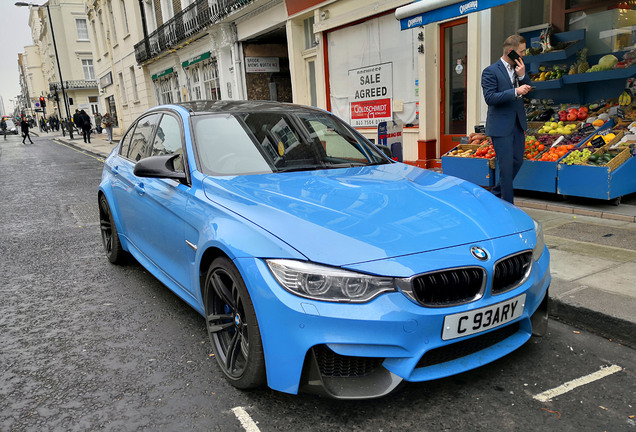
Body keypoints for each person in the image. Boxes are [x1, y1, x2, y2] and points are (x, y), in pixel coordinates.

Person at [481, 34, 532, 204]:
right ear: (511, 51)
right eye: (521, 51)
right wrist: (515, 92)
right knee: (505, 166)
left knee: (517, 161)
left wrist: (523, 76)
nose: (524, 55)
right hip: (500, 126)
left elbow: (532, 92)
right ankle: (509, 205)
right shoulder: (490, 71)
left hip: (517, 124)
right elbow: (490, 98)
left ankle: (495, 193)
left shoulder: (519, 69)